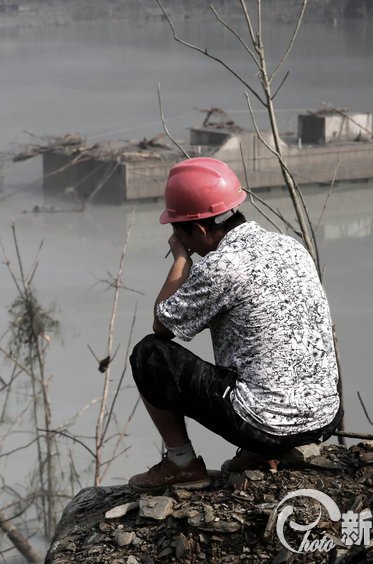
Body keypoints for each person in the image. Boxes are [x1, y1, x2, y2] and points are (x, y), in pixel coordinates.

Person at [128, 157, 342, 493]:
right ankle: (267, 451)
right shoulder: (290, 246)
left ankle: (182, 463)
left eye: (177, 231)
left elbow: (162, 324)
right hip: (324, 417)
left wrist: (181, 259)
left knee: (148, 355)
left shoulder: (221, 267)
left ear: (197, 229)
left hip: (266, 424)